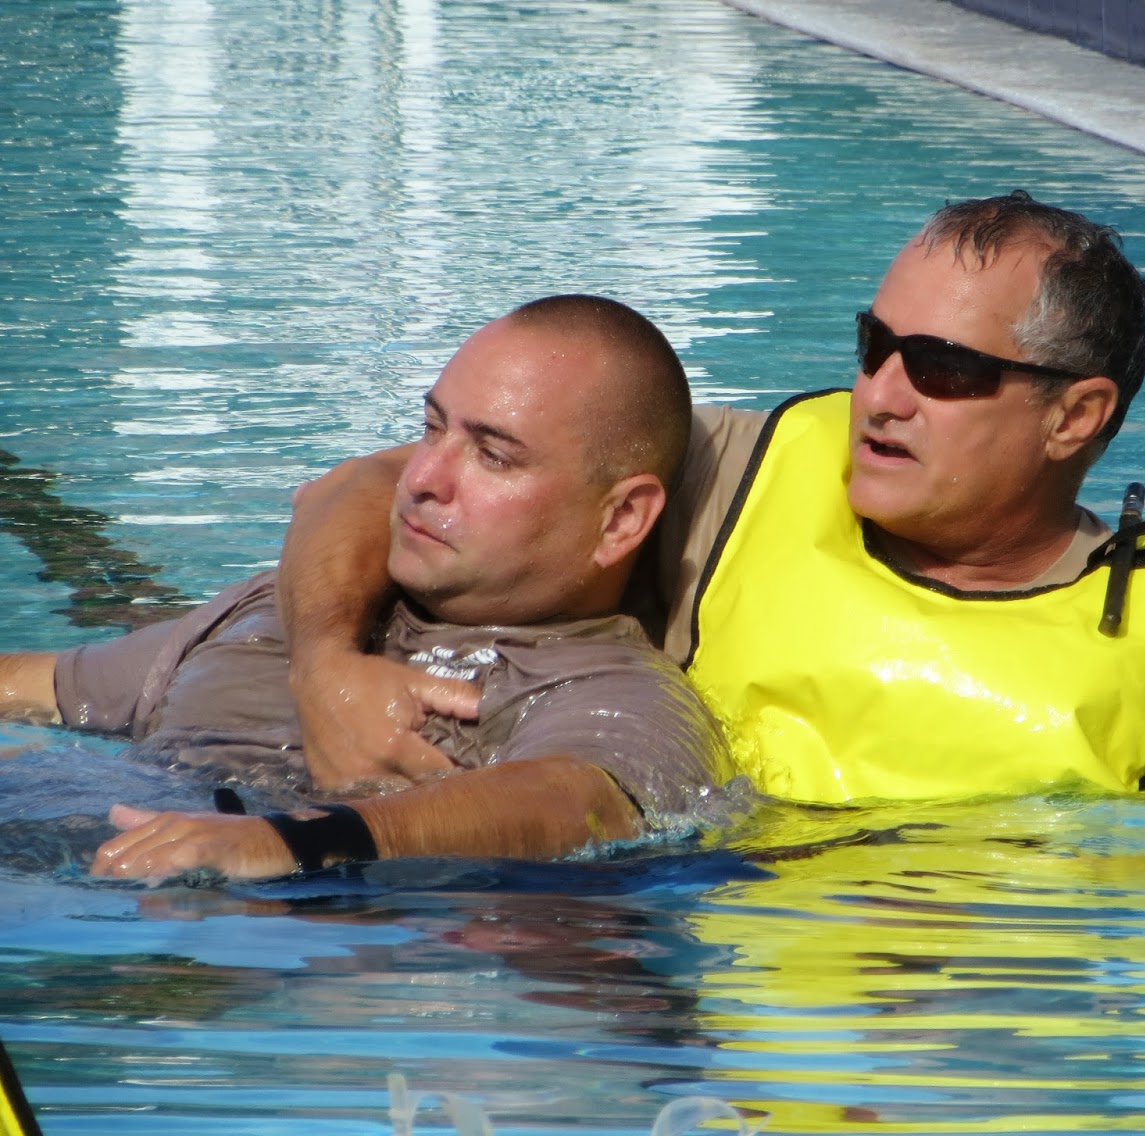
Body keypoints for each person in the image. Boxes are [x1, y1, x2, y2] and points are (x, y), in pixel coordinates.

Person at [275, 194, 1145, 809]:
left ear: (1075, 416)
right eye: (876, 347)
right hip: (670, 970)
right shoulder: (740, 474)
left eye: (943, 369)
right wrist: (324, 664)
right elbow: (372, 488)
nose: (881, 395)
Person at [0, 295, 731, 881]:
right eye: (432, 429)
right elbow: (38, 687)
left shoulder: (606, 689)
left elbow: (575, 803)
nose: (421, 478)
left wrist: (289, 843)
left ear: (620, 520)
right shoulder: (282, 609)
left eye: (493, 457)